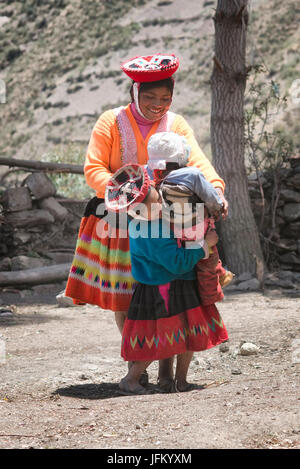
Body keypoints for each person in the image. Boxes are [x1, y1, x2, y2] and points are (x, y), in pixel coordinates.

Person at [64, 53, 228, 387]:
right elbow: (94, 167)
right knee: (130, 298)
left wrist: (216, 190)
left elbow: (198, 163)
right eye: (150, 97)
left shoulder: (177, 125)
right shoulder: (110, 122)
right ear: (134, 92)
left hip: (167, 225)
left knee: (166, 295)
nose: (158, 105)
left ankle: (161, 371)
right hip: (120, 221)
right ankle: (140, 367)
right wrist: (128, 193)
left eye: (165, 98)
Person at [105, 164, 229, 394]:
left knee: (187, 332)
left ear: (155, 190)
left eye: (151, 200)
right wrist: (204, 246)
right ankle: (131, 380)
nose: (149, 207)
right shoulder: (149, 230)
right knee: (159, 338)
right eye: (140, 207)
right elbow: (176, 261)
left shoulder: (159, 216)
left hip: (177, 283)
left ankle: (178, 381)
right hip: (161, 288)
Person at [146, 131, 234, 307]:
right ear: (181, 155)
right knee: (208, 260)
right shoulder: (192, 174)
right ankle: (210, 296)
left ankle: (221, 273)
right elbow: (211, 198)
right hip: (198, 229)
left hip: (174, 233)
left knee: (198, 258)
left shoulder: (152, 178)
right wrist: (218, 207)